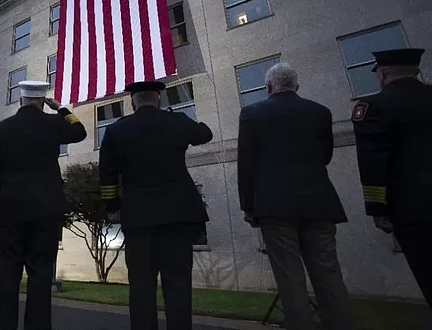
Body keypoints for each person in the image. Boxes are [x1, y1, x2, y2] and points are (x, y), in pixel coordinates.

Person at [237, 63, 354, 330]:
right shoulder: (320, 112)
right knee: (329, 275)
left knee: (291, 281)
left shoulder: (252, 114)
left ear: (268, 87)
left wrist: (248, 207)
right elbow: (325, 156)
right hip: (318, 204)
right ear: (296, 86)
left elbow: (246, 165)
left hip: (275, 208)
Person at [99, 80, 213, 330]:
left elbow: (107, 174)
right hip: (179, 214)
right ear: (159, 99)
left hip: (139, 216)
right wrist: (180, 120)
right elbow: (205, 134)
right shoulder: (178, 121)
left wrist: (112, 206)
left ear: (133, 102)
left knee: (141, 285)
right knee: (179, 283)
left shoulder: (117, 130)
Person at [0, 81, 87, 330]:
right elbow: (79, 131)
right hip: (45, 210)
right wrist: (61, 109)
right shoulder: (53, 124)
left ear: (20, 100)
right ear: (42, 101)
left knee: (8, 273)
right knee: (40, 274)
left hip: (10, 210)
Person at [352, 48, 432, 309]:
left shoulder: (374, 106)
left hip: (415, 209)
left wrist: (377, 208)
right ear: (417, 71)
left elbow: (373, 160)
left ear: (383, 74)